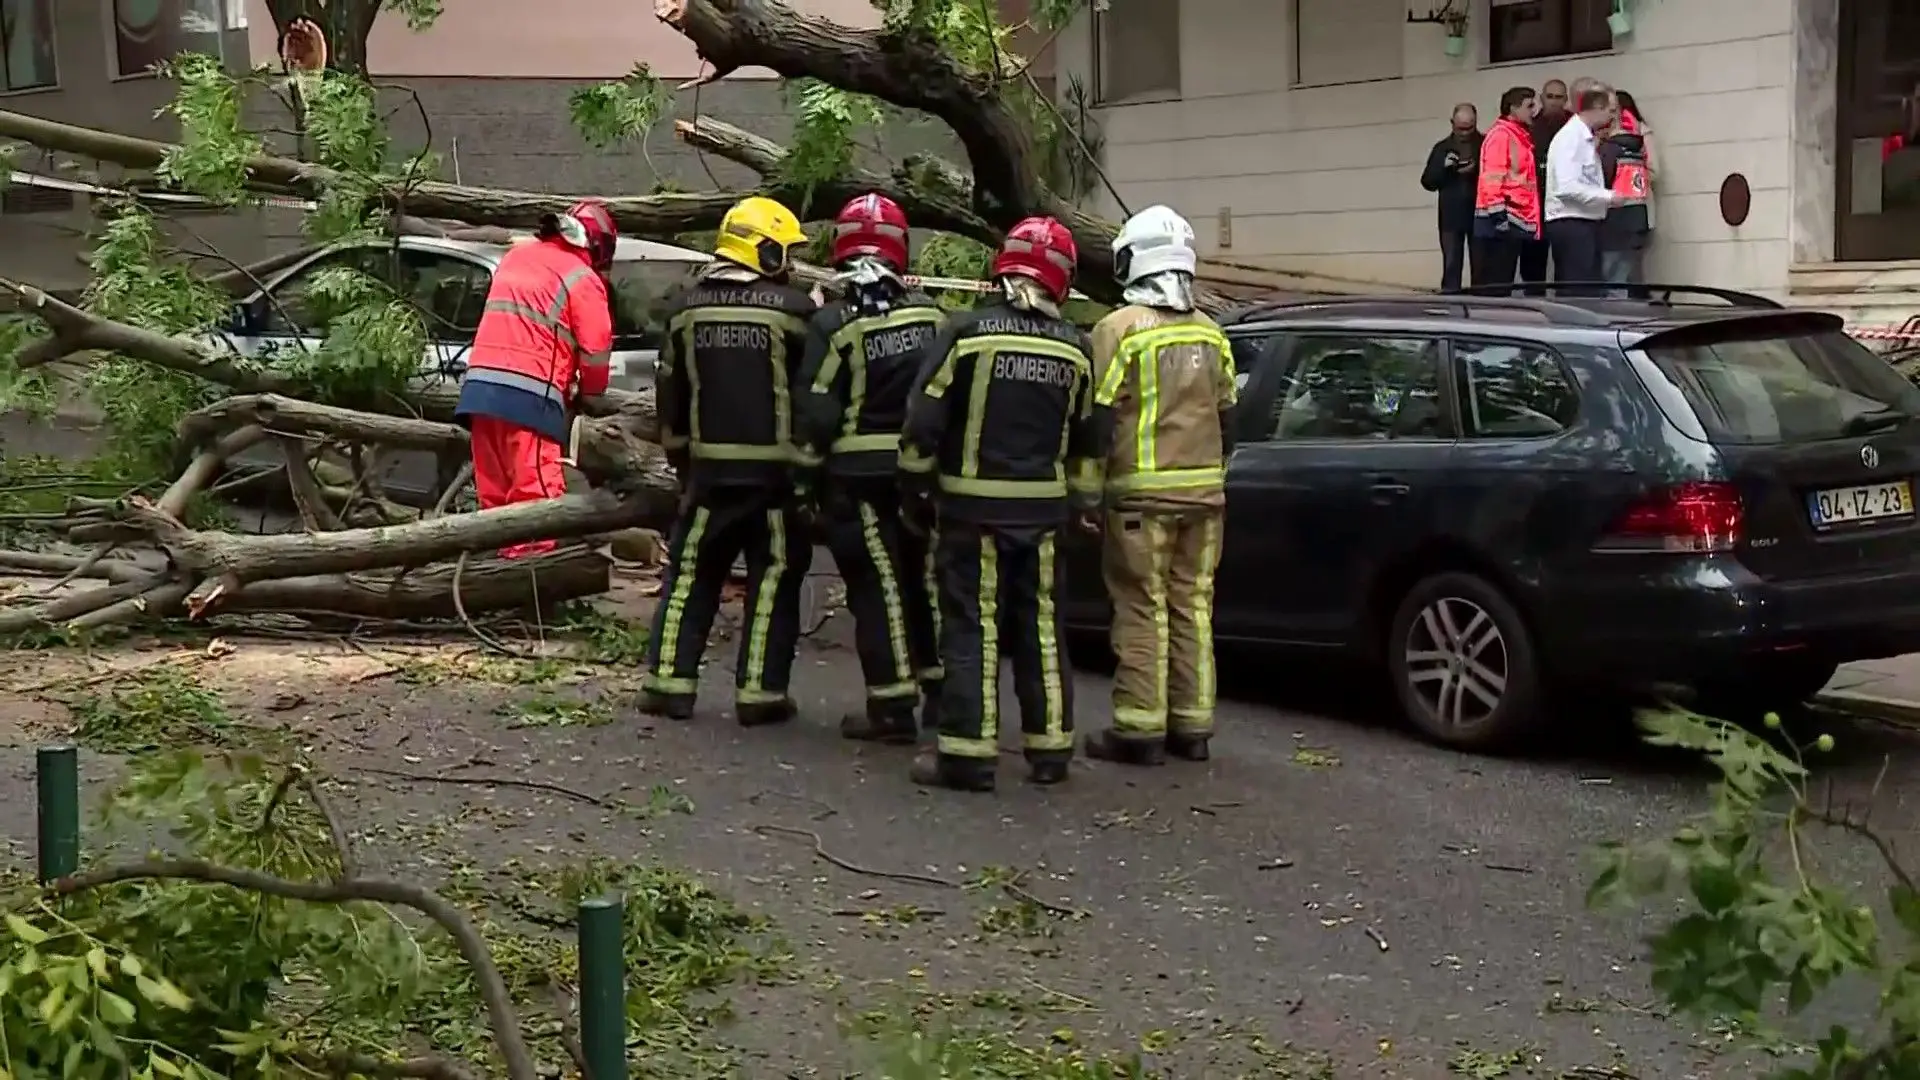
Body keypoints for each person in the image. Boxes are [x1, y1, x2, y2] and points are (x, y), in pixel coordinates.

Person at [899, 217, 1108, 792]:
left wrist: (915, 490)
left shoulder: (965, 334)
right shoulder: (1077, 349)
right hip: (1043, 517)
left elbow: (924, 422)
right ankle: (1050, 750)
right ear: (1062, 280)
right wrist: (1085, 501)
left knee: (973, 628)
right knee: (1041, 627)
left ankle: (967, 754)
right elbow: (1092, 439)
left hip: (970, 514)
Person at [638, 196, 817, 727]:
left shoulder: (685, 310)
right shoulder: (796, 313)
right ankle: (761, 694)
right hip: (776, 479)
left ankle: (669, 683)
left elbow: (668, 392)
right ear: (762, 252)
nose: (789, 264)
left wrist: (679, 459)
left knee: (691, 573)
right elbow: (812, 394)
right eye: (784, 252)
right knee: (775, 576)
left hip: (708, 475)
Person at [1080, 206, 1236, 767]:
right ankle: (1193, 727)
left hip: (1140, 499)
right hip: (1205, 500)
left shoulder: (1117, 330)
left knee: (1142, 608)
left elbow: (1097, 422)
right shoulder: (1211, 333)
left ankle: (1138, 729)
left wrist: (1087, 492)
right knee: (1193, 606)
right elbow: (1228, 416)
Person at [793, 194, 946, 744]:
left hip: (857, 482)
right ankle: (942, 693)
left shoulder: (834, 324)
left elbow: (816, 413)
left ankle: (892, 707)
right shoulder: (932, 315)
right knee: (922, 582)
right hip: (921, 477)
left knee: (878, 589)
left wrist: (804, 482)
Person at [454, 200, 617, 558]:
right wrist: (590, 391)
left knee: (495, 503)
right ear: (596, 245)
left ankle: (493, 586)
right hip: (530, 395)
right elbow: (596, 349)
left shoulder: (517, 257)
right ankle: (531, 591)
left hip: (480, 391)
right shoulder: (581, 277)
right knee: (536, 503)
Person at [1543, 85, 1620, 292]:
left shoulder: (1585, 138)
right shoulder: (1570, 138)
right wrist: (1609, 196)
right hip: (1571, 222)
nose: (1613, 117)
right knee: (1579, 290)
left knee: (1591, 288)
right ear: (1596, 108)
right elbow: (1566, 187)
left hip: (1586, 220)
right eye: (1611, 111)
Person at [1473, 87, 1542, 288]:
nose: (1534, 111)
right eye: (1529, 106)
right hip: (1502, 220)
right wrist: (1498, 216)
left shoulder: (1519, 135)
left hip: (1514, 218)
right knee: (1497, 281)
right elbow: (1492, 177)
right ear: (1513, 108)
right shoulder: (1502, 135)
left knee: (1504, 280)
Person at [1420, 103, 1482, 293]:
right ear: (1452, 123)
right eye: (1460, 128)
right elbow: (1428, 182)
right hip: (1451, 216)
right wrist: (1444, 169)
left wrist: (1475, 170)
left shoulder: (1484, 144)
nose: (1464, 133)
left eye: (1468, 128)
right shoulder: (1442, 148)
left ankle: (1481, 306)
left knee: (1481, 267)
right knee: (1451, 265)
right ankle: (1450, 305)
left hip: (1479, 213)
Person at [1599, 90, 1653, 295]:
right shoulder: (1635, 149)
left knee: (1613, 282)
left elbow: (1602, 181)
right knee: (1626, 278)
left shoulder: (1610, 150)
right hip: (1636, 219)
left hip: (1614, 222)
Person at [1519, 78, 1570, 293]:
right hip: (1535, 204)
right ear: (1542, 98)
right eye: (1550, 97)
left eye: (1559, 97)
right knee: (1533, 265)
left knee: (1567, 264)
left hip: (1566, 205)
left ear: (1566, 99)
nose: (1554, 102)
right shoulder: (1530, 127)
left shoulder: (1575, 126)